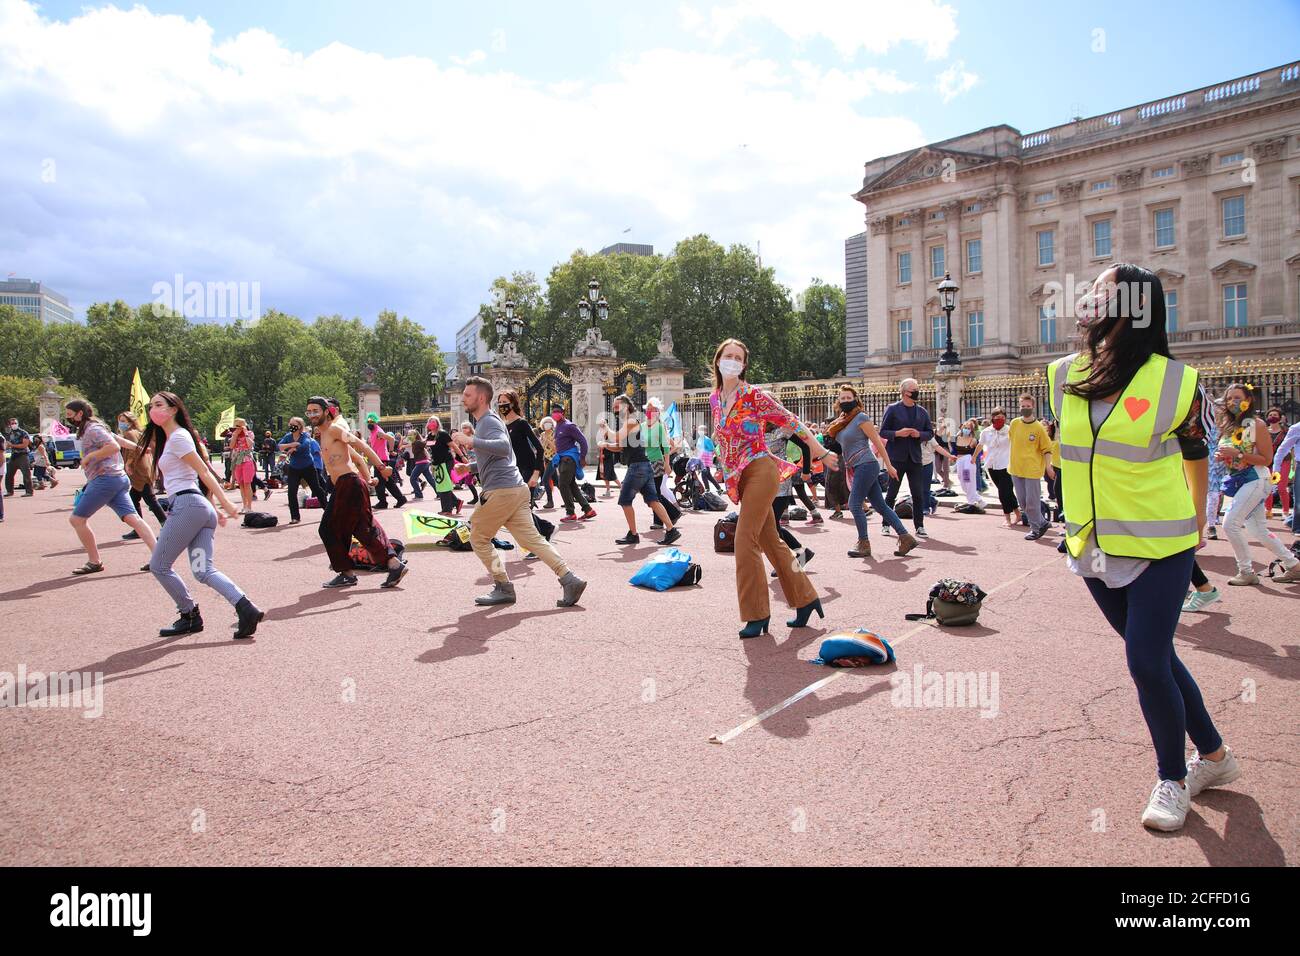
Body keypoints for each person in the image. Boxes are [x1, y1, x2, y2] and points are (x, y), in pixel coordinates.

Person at [1049, 263, 1242, 831]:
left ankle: (1171, 780)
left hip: (1163, 542)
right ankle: (1216, 757)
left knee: (1144, 661)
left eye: (1101, 288)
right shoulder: (1061, 373)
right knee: (1157, 658)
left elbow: (1195, 452)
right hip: (1091, 542)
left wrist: (1203, 520)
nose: (1088, 294)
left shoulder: (1177, 379)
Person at [710, 338, 839, 638]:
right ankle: (806, 598)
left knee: (745, 540)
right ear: (718, 360)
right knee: (772, 542)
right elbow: (723, 440)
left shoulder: (754, 395)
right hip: (740, 476)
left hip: (762, 471)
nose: (732, 360)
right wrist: (723, 467)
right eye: (727, 355)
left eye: (738, 357)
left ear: (743, 365)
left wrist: (819, 452)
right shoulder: (715, 398)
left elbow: (791, 422)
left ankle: (757, 615)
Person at [121, 392, 264, 639]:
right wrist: (213, 507)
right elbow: (141, 448)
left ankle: (189, 615)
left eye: (158, 405)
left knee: (159, 565)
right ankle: (245, 607)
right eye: (151, 405)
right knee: (202, 570)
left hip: (188, 506)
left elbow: (204, 472)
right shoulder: (172, 439)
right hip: (196, 508)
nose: (152, 409)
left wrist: (225, 503)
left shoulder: (178, 437)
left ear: (173, 409)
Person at [453, 376, 587, 608]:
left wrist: (470, 440)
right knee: (532, 540)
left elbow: (504, 448)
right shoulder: (492, 421)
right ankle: (569, 578)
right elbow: (506, 457)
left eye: (467, 395)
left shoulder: (488, 422)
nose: (463, 398)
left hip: (501, 491)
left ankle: (503, 586)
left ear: (481, 397)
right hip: (515, 489)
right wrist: (471, 467)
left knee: (478, 537)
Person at [308, 397, 409, 589]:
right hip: (349, 485)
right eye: (309, 412)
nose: (312, 415)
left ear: (326, 412)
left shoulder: (335, 430)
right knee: (364, 528)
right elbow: (356, 458)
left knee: (328, 528)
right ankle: (394, 565)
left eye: (316, 411)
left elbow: (361, 446)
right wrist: (368, 478)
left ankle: (346, 573)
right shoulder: (323, 436)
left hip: (349, 484)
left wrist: (380, 467)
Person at [1215, 384, 1300, 586]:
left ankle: (1246, 571)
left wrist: (1239, 454)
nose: (1232, 402)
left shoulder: (1256, 424)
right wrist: (1224, 457)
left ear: (1249, 400)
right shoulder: (1230, 426)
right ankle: (1294, 565)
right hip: (1240, 480)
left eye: (1237, 398)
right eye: (1229, 398)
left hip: (1256, 478)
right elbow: (1233, 455)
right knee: (1259, 531)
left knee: (1230, 524)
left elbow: (1266, 458)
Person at [63, 400, 158, 575]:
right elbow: (118, 440)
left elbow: (113, 446)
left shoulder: (93, 429)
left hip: (104, 479)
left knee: (77, 520)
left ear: (80, 413)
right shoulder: (96, 427)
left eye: (70, 414)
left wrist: (90, 457)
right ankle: (158, 558)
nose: (68, 418)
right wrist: (139, 448)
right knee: (133, 519)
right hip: (117, 479)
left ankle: (94, 561)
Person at [827, 386, 911, 559]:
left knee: (854, 504)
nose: (845, 401)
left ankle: (864, 543)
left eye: (848, 397)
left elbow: (878, 442)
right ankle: (905, 537)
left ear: (855, 399)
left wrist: (889, 465)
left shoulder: (861, 417)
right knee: (880, 505)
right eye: (842, 398)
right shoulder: (841, 422)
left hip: (866, 463)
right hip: (856, 466)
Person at [601, 393, 681, 546]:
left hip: (637, 467)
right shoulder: (631, 423)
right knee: (652, 500)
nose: (615, 409)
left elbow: (616, 437)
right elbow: (620, 447)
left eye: (617, 406)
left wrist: (606, 428)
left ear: (626, 406)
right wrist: (606, 445)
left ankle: (633, 534)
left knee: (625, 501)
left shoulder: (631, 421)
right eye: (614, 407)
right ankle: (671, 530)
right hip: (645, 465)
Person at [879, 378, 933, 538]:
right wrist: (897, 433)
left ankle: (920, 526)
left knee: (918, 493)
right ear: (903, 392)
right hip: (896, 457)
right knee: (892, 493)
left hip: (915, 458)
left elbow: (930, 432)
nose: (916, 392)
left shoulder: (922, 411)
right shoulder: (893, 409)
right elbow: (883, 431)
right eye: (912, 390)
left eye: (917, 389)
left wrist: (919, 434)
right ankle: (885, 524)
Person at [1008, 393, 1055, 541]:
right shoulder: (1015, 423)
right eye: (1023, 406)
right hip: (1016, 468)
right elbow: (1012, 441)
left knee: (1032, 502)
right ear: (1019, 406)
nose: (1025, 408)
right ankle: (1042, 522)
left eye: (1028, 406)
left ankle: (1035, 528)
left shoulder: (1038, 428)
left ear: (1033, 407)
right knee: (1022, 502)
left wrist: (1048, 467)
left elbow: (1047, 449)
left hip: (1032, 469)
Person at [116, 411, 166, 539]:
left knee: (151, 500)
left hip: (139, 472)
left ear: (131, 422)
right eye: (120, 421)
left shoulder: (129, 434)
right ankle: (138, 529)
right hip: (143, 470)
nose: (121, 424)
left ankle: (167, 527)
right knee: (134, 499)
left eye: (124, 421)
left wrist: (128, 463)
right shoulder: (138, 432)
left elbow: (135, 449)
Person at [549, 405, 594, 522]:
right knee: (572, 485)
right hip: (563, 459)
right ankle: (587, 509)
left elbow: (583, 441)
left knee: (562, 484)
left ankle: (570, 512)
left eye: (558, 411)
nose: (555, 413)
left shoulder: (569, 426)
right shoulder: (558, 426)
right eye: (553, 412)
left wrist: (583, 457)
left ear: (563, 413)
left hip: (568, 460)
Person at [278, 417, 327, 524]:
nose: (291, 426)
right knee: (291, 492)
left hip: (308, 467)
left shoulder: (305, 436)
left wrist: (294, 448)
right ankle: (295, 517)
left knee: (317, 489)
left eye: (293, 424)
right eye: (290, 424)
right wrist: (292, 445)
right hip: (294, 468)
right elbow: (280, 446)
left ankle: (328, 511)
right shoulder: (288, 436)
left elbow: (304, 446)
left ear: (300, 426)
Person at [974, 409, 1017, 525]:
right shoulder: (986, 431)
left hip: (1006, 465)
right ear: (992, 418)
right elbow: (980, 444)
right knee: (1007, 492)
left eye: (1002, 417)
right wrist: (974, 458)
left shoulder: (1010, 430)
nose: (999, 419)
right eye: (997, 417)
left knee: (1003, 493)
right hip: (992, 465)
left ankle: (1007, 517)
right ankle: (1018, 513)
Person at [365, 414, 407, 510]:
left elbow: (391, 439)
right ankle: (400, 499)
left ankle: (383, 502)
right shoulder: (373, 432)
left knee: (379, 481)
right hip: (378, 459)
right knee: (387, 482)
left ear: (376, 422)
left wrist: (391, 450)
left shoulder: (378, 432)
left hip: (381, 460)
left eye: (372, 422)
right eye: (368, 422)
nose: (370, 424)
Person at [1271, 414, 1300, 554]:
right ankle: (1297, 527)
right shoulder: (1296, 428)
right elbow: (1282, 450)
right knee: (1299, 501)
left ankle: (1290, 520)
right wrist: (1276, 470)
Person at [226, 418, 257, 514]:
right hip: (237, 462)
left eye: (239, 426)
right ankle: (244, 505)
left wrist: (245, 432)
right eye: (236, 427)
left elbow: (250, 445)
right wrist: (235, 435)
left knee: (247, 484)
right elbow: (231, 446)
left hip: (247, 460)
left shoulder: (250, 433)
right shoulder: (234, 435)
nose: (237, 428)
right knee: (241, 484)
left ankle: (249, 506)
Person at [428, 429, 462, 515]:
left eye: (434, 421)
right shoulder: (429, 436)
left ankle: (447, 509)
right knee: (442, 484)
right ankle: (456, 502)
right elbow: (431, 449)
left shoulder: (443, 434)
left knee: (444, 484)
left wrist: (462, 456)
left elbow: (453, 445)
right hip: (437, 463)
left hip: (446, 461)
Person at [953, 418, 984, 510]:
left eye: (968, 428)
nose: (966, 429)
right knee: (960, 478)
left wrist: (974, 458)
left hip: (968, 460)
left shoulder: (973, 440)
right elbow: (953, 450)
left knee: (967, 480)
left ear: (971, 430)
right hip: (959, 460)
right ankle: (978, 499)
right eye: (965, 427)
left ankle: (971, 501)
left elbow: (979, 450)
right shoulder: (957, 438)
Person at [3, 416, 34, 496]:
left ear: (18, 423)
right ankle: (9, 491)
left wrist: (12, 445)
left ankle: (29, 492)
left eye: (15, 423)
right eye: (12, 423)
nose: (14, 424)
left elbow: (24, 445)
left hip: (23, 455)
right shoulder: (9, 433)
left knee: (26, 474)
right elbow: (6, 444)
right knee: (8, 474)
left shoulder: (23, 433)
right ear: (9, 425)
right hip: (13, 456)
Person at [594, 413, 620, 497]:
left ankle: (621, 487)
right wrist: (600, 454)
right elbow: (599, 444)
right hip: (602, 456)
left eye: (602, 424)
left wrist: (606, 454)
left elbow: (612, 445)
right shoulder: (600, 433)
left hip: (607, 456)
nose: (601, 426)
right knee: (604, 475)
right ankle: (608, 489)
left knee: (610, 475)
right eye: (600, 425)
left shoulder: (609, 433)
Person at [405, 430, 436, 500]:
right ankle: (440, 494)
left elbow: (426, 444)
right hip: (422, 463)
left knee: (412, 478)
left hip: (422, 463)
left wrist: (435, 441)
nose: (409, 436)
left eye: (411, 435)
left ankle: (418, 495)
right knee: (430, 479)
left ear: (415, 435)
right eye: (408, 435)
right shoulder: (414, 442)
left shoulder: (417, 442)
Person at [537, 416, 557, 509]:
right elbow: (541, 447)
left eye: (549, 422)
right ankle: (568, 499)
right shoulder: (542, 434)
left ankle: (550, 501)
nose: (547, 424)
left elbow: (555, 448)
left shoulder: (554, 434)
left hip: (553, 459)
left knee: (545, 480)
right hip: (546, 459)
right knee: (557, 481)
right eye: (545, 423)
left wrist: (547, 440)